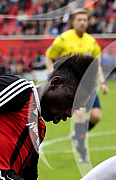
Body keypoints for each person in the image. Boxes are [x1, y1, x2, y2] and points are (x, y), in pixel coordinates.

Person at [45, 9, 108, 163]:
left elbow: (96, 65)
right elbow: (49, 57)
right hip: (69, 87)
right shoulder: (63, 39)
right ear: (73, 22)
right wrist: (53, 74)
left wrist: (103, 82)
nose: (82, 23)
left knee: (96, 116)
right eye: (79, 20)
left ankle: (77, 134)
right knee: (79, 114)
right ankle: (82, 153)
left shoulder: (91, 42)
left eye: (85, 20)